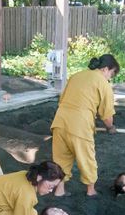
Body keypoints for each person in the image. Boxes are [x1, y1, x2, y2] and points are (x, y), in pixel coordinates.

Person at [50, 54, 119, 197]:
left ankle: (59, 190)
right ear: (106, 69)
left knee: (61, 158)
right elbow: (107, 116)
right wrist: (110, 127)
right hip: (79, 125)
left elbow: (62, 99)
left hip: (60, 121)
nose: (110, 78)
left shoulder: (77, 75)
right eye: (112, 74)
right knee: (86, 158)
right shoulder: (103, 83)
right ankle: (91, 191)